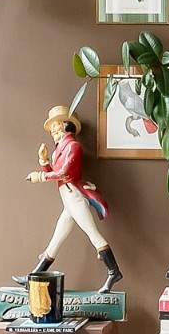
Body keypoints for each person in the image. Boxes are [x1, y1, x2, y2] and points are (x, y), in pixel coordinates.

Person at [30, 105, 121, 291]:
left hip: (73, 195)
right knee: (56, 240)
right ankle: (34, 276)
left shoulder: (73, 146)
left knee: (93, 235)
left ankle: (114, 272)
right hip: (67, 198)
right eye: (52, 129)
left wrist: (41, 176)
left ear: (66, 125)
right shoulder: (59, 149)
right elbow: (55, 174)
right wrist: (43, 161)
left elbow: (65, 173)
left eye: (55, 126)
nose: (53, 131)